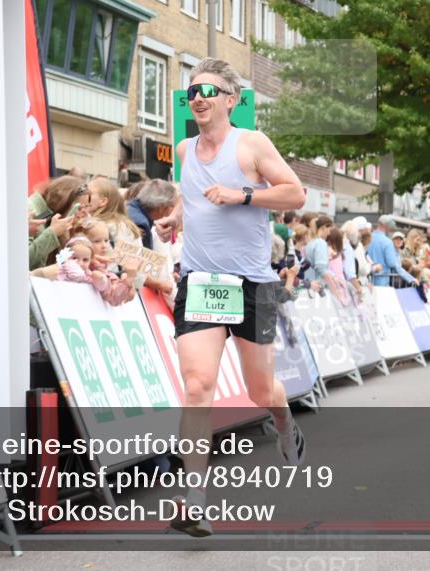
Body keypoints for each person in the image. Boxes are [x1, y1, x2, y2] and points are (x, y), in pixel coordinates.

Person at [152, 58, 307, 537]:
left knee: (261, 390)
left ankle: (284, 425)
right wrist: (178, 215)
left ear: (231, 100)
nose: (198, 97)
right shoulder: (183, 149)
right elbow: (194, 194)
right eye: (193, 90)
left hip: (252, 283)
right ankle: (194, 501)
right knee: (198, 385)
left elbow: (295, 194)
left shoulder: (251, 144)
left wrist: (242, 196)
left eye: (209, 91)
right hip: (202, 282)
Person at [28, 175, 89, 270]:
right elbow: (24, 259)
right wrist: (53, 232)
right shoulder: (31, 211)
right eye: (80, 208)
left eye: (86, 207)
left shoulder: (50, 213)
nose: (84, 213)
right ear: (63, 202)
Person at [126, 179, 177, 250]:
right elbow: (143, 259)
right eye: (172, 206)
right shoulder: (141, 224)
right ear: (162, 207)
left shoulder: (126, 206)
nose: (173, 210)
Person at [367, 216, 418, 287]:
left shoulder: (368, 239)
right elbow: (394, 264)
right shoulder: (387, 242)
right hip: (382, 281)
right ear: (386, 225)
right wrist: (410, 278)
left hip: (368, 280)